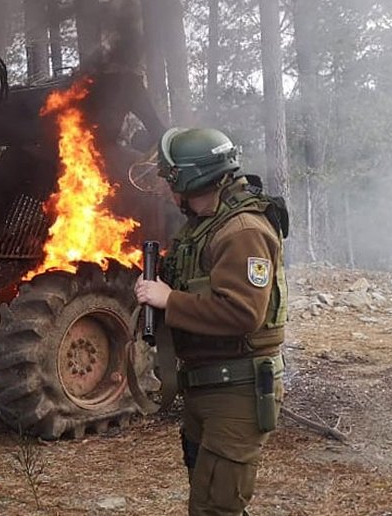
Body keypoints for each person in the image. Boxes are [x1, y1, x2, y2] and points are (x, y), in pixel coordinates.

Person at [134, 127, 289, 516]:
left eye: (172, 181)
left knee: (217, 508)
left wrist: (170, 299)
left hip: (236, 388)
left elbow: (243, 313)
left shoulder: (243, 231)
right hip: (207, 383)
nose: (170, 192)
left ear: (191, 177)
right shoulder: (203, 225)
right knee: (206, 498)